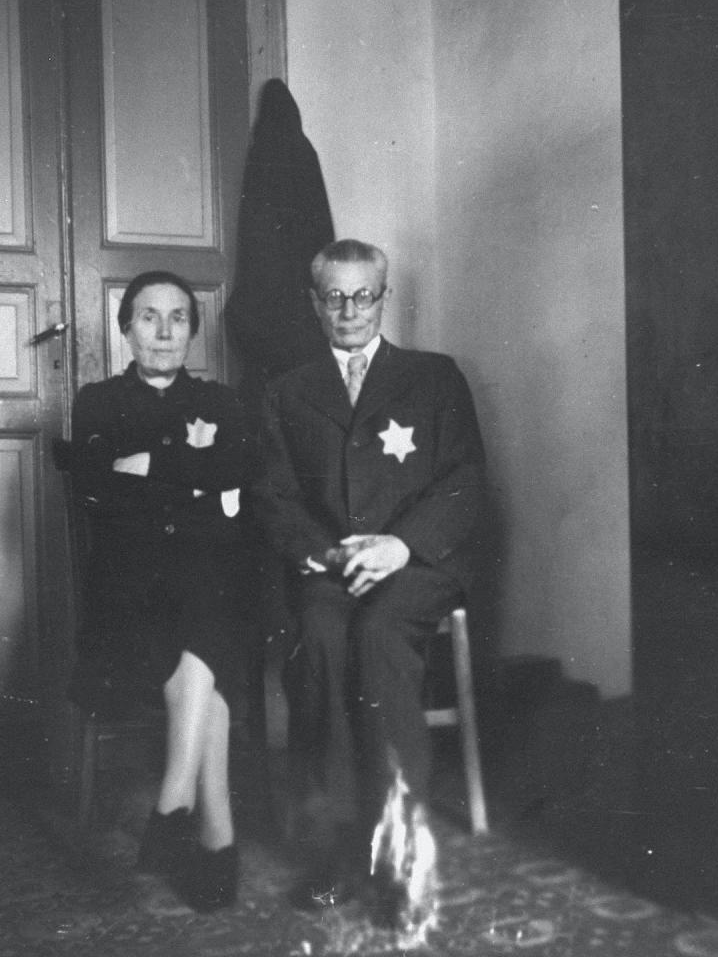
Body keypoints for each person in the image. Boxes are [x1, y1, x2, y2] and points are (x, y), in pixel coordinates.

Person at [252, 239, 486, 906]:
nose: (349, 309)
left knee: (382, 636)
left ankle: (399, 849)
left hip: (417, 563)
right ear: (314, 303)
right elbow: (274, 495)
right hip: (329, 563)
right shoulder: (287, 390)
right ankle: (329, 849)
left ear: (385, 297)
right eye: (334, 296)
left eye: (363, 295)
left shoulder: (435, 376)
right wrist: (329, 553)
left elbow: (466, 481)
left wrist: (401, 547)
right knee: (322, 636)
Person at [63, 271, 256, 911]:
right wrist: (192, 473)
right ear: (125, 327)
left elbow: (238, 476)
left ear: (193, 331)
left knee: (206, 594)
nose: (166, 331)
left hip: (202, 574)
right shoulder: (96, 401)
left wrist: (147, 463)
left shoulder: (223, 402)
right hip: (127, 583)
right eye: (149, 317)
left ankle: (178, 810)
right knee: (209, 630)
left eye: (179, 317)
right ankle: (212, 830)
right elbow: (97, 484)